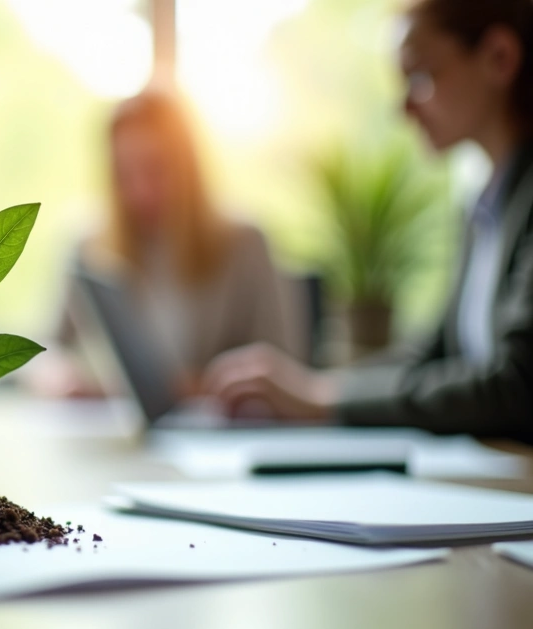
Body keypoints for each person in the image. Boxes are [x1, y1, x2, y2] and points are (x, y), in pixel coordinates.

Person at [203, 0, 533, 436]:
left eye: (421, 77)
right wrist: (316, 388)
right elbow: (434, 355)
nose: (404, 109)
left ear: (499, 58)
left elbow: (515, 386)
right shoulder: (484, 206)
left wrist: (325, 400)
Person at [44, 90, 303, 397]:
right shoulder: (89, 245)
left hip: (219, 428)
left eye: (155, 169)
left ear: (187, 167)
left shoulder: (246, 244)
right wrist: (65, 380)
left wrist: (209, 385)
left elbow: (285, 366)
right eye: (124, 173)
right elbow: (44, 352)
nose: (140, 190)